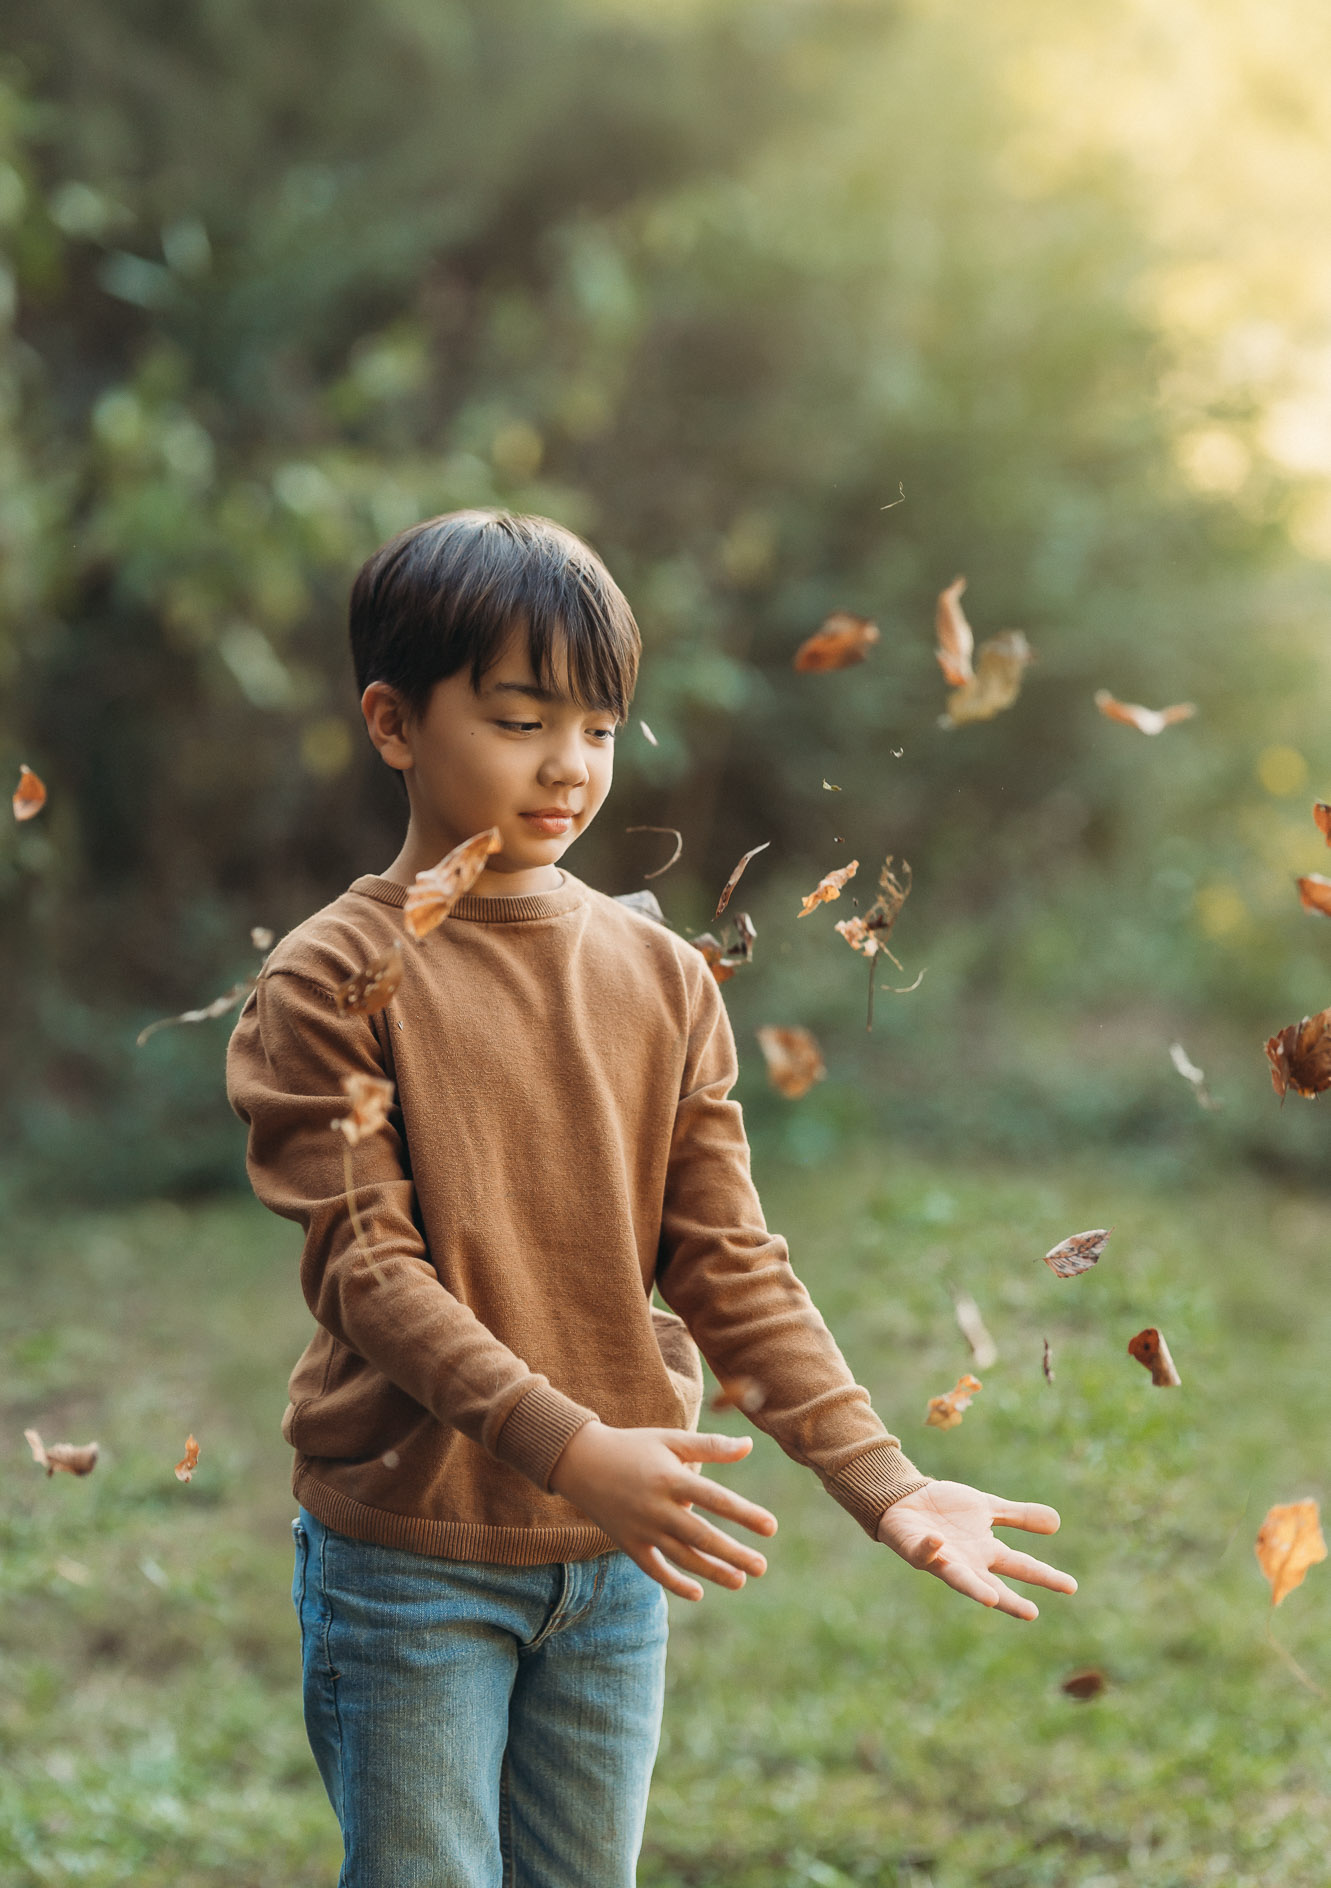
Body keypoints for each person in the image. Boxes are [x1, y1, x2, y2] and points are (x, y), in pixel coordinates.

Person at [226, 508, 1075, 1888]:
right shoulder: (330, 981)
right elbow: (371, 1278)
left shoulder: (662, 974)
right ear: (393, 722)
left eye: (602, 730)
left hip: (619, 1563)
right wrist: (572, 1447)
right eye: (518, 720)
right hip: (416, 1557)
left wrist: (886, 1481)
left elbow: (730, 1259)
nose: (569, 767)